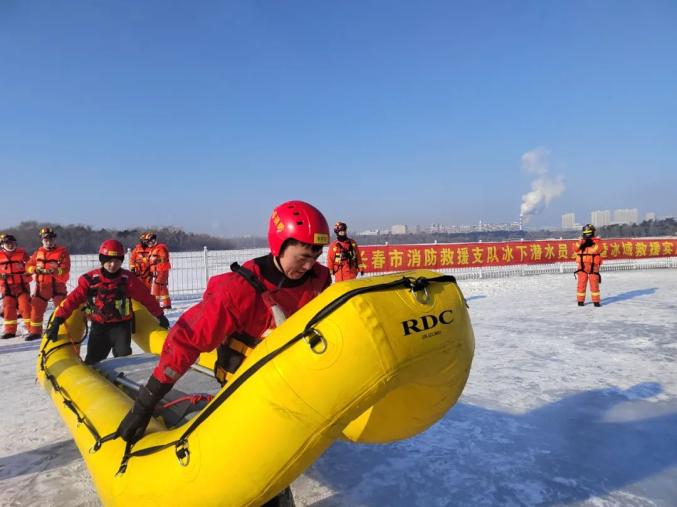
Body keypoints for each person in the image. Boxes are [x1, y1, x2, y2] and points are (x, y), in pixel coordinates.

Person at [116, 200, 331, 506]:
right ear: (280, 245)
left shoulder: (320, 281)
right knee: (259, 463)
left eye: (316, 256)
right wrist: (145, 403)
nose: (310, 265)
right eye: (303, 257)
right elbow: (186, 340)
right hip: (245, 391)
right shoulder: (238, 292)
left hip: (295, 384)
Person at [45, 240, 170, 364]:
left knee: (124, 359)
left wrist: (160, 315)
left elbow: (146, 298)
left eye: (117, 261)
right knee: (93, 361)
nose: (112, 265)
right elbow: (72, 301)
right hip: (99, 327)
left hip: (122, 326)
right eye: (108, 261)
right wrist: (57, 321)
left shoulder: (128, 280)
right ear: (102, 260)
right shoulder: (89, 281)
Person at [25, 227, 71, 341]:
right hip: (42, 286)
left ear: (54, 239)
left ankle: (64, 330)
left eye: (51, 239)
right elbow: (28, 266)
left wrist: (55, 271)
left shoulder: (62, 252)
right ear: (42, 240)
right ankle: (35, 332)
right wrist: (34, 269)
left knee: (62, 308)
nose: (49, 242)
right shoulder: (37, 253)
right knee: (36, 308)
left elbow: (66, 268)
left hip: (58, 286)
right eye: (46, 240)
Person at [0, 235, 32, 339]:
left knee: (25, 307)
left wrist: (28, 271)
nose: (10, 245)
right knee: (8, 308)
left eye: (12, 243)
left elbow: (30, 264)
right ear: (3, 245)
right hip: (7, 287)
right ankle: (10, 331)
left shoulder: (22, 253)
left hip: (22, 286)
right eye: (7, 243)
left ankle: (33, 329)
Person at [575, 224, 603, 307]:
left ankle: (596, 302)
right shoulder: (580, 242)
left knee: (594, 284)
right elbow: (575, 249)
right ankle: (580, 301)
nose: (587, 235)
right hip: (582, 266)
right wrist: (580, 242)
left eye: (589, 233)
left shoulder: (597, 242)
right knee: (581, 284)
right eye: (586, 233)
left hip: (593, 266)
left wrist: (596, 241)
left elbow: (599, 249)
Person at [147, 233, 172, 309]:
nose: (148, 243)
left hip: (162, 269)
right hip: (157, 270)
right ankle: (167, 304)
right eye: (147, 242)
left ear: (154, 240)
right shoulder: (153, 249)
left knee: (156, 286)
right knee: (162, 287)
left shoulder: (160, 248)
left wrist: (156, 260)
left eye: (150, 241)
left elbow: (164, 258)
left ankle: (155, 305)